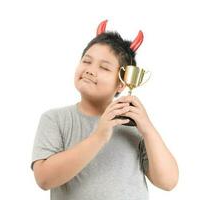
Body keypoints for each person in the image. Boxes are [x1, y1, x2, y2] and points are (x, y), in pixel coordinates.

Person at [31, 20, 178, 200]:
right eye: (87, 61)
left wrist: (148, 129)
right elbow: (44, 179)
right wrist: (99, 136)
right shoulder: (55, 119)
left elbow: (168, 182)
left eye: (104, 67)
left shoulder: (133, 126)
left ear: (121, 84)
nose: (91, 70)